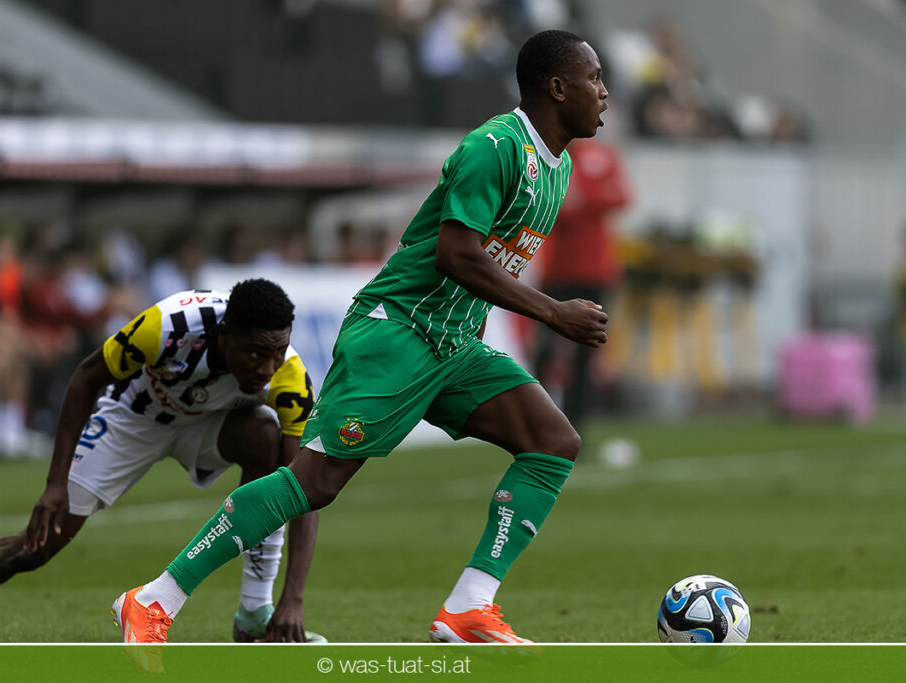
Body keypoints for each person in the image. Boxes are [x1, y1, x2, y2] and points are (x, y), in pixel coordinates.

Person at [114, 29, 610, 645]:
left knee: (552, 442)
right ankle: (153, 599)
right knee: (315, 482)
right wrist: (553, 313)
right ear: (557, 88)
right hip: (396, 331)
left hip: (452, 344)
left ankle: (469, 606)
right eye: (594, 79)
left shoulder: (558, 167)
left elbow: (485, 264)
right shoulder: (496, 148)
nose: (604, 93)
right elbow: (457, 254)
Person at [0, 280, 325, 643]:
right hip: (133, 419)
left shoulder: (287, 376)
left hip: (209, 427)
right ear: (224, 333)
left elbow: (301, 489)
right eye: (256, 353)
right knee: (36, 547)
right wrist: (55, 484)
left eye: (277, 352)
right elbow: (85, 378)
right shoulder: (169, 325)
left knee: (266, 438)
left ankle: (254, 614)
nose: (267, 367)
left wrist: (294, 599)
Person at [534, 137, 631, 432]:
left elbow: (622, 197)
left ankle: (574, 425)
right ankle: (538, 418)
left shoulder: (600, 156)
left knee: (586, 353)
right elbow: (542, 205)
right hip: (557, 271)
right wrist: (573, 203)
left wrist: (581, 201)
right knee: (546, 349)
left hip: (594, 272)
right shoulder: (547, 155)